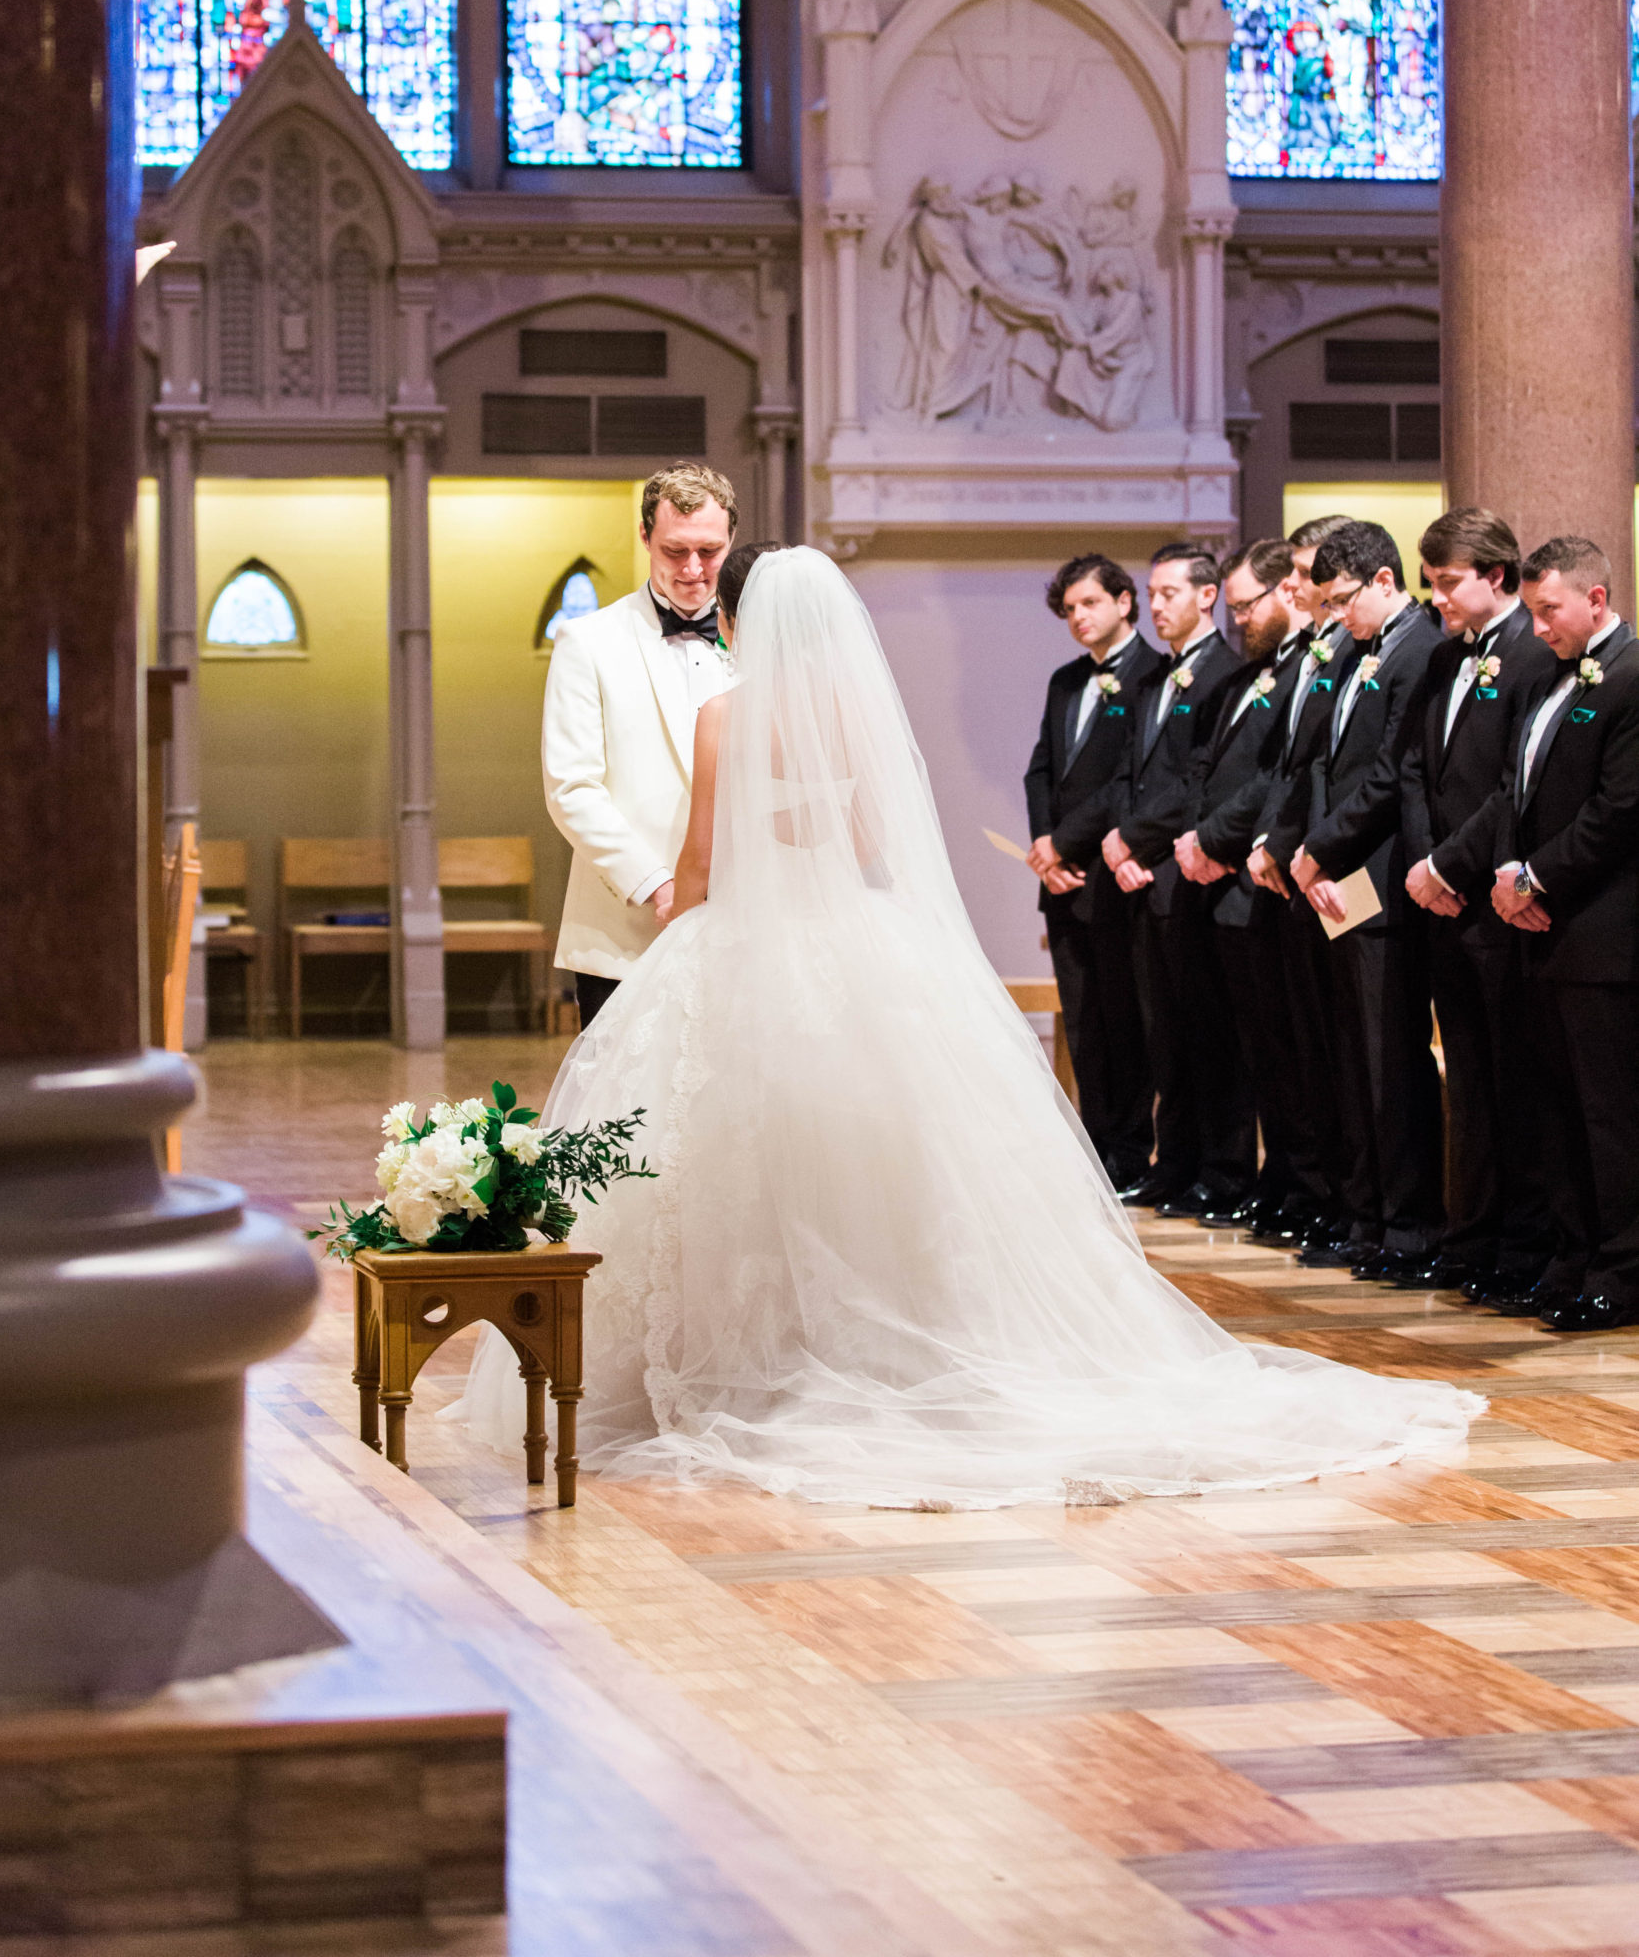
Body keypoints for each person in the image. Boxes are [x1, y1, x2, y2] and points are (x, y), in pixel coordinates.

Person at [449, 545, 1478, 1506]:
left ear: (739, 621)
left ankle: (744, 1358)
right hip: (848, 939)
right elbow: (864, 844)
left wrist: (684, 910)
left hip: (740, 944)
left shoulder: (724, 716)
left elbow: (705, 864)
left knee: (718, 1155)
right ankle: (886, 1342)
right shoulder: (853, 716)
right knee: (880, 1157)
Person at [1444, 537, 1639, 1333]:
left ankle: (1622, 1271)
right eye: (1528, 611)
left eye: (1548, 609)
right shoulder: (1550, 679)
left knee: (1608, 1115)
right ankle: (1570, 1256)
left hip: (1602, 935)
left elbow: (1619, 809)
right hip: (1540, 930)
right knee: (1552, 1110)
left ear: (1594, 600)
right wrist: (1503, 871)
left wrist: (1535, 877)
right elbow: (1509, 792)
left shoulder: (1629, 677)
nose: (1537, 626)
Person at [1399, 509, 1557, 1300]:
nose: (1438, 599)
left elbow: (1513, 785)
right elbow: (1416, 770)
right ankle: (1470, 1238)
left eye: (1447, 582)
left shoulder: (1532, 657)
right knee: (1463, 1073)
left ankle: (1522, 1245)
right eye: (1430, 583)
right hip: (1442, 899)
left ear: (1494, 576)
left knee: (1510, 1079)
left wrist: (1451, 862)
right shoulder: (1439, 658)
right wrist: (1426, 863)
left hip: (1494, 898)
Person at [1287, 522, 1442, 1279]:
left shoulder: (1420, 648)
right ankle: (1366, 1214)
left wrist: (1322, 846)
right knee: (1350, 1051)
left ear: (1384, 581)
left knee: (1388, 1056)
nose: (1335, 615)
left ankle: (1408, 1224)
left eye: (1343, 599)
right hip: (1341, 878)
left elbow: (1388, 775)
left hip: (1378, 871)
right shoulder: (1355, 651)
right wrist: (1311, 850)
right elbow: (1323, 759)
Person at [540, 463, 736, 1031]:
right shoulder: (588, 640)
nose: (694, 570)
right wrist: (660, 884)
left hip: (743, 932)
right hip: (625, 936)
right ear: (646, 537)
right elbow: (571, 789)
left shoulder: (761, 639)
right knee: (622, 1115)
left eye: (710, 550)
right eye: (676, 551)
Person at [1176, 538, 1314, 1241]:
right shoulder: (1251, 676)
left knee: (1287, 1050)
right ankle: (1279, 1181)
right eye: (1230, 610)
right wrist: (1195, 839)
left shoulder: (1303, 672)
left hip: (1265, 879)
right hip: (1226, 883)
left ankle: (1299, 1184)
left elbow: (1277, 778)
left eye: (1245, 606)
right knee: (1257, 1050)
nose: (1238, 622)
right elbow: (1207, 771)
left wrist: (1214, 841)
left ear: (1284, 591)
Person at [1101, 547, 1245, 1217]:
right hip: (1142, 880)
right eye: (1151, 594)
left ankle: (1221, 1168)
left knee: (1205, 1032)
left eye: (1168, 593)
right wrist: (1120, 848)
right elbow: (1131, 777)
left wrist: (1135, 840)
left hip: (1185, 874)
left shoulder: (1227, 672)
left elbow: (1198, 782)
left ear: (1207, 596)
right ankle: (1174, 1161)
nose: (1155, 606)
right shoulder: (1155, 676)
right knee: (1164, 1034)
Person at [1023, 555, 1164, 1193]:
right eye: (1070, 609)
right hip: (1061, 879)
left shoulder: (1154, 676)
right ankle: (1095, 1150)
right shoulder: (1063, 680)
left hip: (1112, 876)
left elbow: (1125, 781)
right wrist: (1043, 848)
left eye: (1089, 604)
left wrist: (1065, 843)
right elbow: (1041, 771)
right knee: (1081, 1020)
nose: (1078, 618)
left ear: (1124, 602)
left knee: (1124, 1019)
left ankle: (1131, 1153)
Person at [1252, 516, 1358, 1262]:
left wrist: (1314, 851)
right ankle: (1337, 1202)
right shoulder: (1318, 652)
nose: (1293, 585)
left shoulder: (1370, 651)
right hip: (1305, 871)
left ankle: (1368, 1208)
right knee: (1320, 1052)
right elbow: (1293, 768)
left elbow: (1377, 773)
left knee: (1364, 1053)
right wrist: (1274, 844)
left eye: (1304, 570)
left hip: (1354, 875)